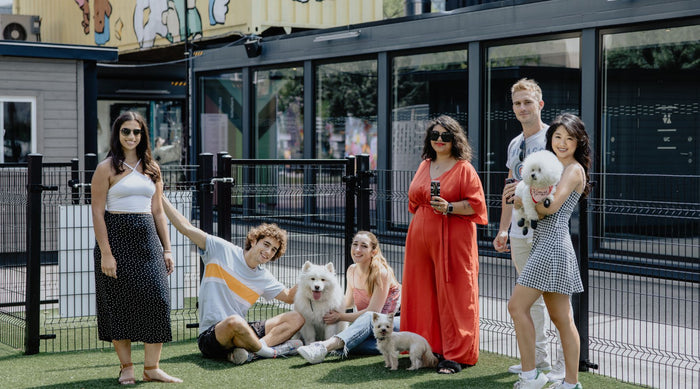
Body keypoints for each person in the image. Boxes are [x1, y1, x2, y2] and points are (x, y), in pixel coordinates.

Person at [91, 111, 182, 384]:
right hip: (116, 241)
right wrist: (106, 253)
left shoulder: (152, 168)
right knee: (120, 304)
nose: (131, 136)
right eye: (126, 131)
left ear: (143, 135)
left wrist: (167, 249)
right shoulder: (106, 168)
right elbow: (97, 213)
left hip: (148, 244)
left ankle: (152, 368)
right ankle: (127, 367)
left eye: (137, 131)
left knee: (158, 301)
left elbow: (158, 212)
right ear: (117, 134)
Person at [160, 196, 304, 365]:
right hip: (212, 336)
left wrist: (309, 274)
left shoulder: (264, 277)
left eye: (273, 250)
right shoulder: (221, 249)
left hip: (242, 331)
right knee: (235, 321)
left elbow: (289, 297)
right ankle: (271, 351)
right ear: (253, 240)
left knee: (297, 318)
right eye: (266, 244)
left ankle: (251, 353)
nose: (268, 252)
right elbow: (186, 228)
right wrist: (160, 196)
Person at [508, 113, 592, 389]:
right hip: (547, 243)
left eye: (570, 138)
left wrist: (524, 197)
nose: (563, 143)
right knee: (562, 318)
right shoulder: (551, 164)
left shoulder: (573, 170)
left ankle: (532, 376)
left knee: (517, 306)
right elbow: (537, 210)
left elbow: (550, 207)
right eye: (558, 137)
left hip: (553, 245)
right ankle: (571, 384)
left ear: (579, 142)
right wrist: (523, 201)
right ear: (550, 138)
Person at [400, 115, 488, 374]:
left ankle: (457, 355)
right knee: (422, 293)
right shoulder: (424, 164)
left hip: (453, 236)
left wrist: (449, 207)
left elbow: (477, 205)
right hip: (419, 238)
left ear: (455, 139)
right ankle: (428, 349)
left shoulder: (464, 168)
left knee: (456, 293)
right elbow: (414, 201)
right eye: (435, 135)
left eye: (445, 136)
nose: (439, 140)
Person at [493, 78, 566, 380]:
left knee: (556, 302)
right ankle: (538, 361)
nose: (522, 108)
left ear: (540, 104)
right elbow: (509, 188)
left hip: (547, 232)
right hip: (520, 235)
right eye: (517, 103)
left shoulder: (554, 139)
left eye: (527, 102)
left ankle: (564, 368)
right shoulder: (515, 143)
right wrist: (502, 229)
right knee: (529, 303)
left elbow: (563, 188)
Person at [296, 231, 401, 364]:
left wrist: (340, 316)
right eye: (355, 244)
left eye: (364, 246)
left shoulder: (381, 273)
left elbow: (374, 313)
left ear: (373, 251)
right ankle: (325, 345)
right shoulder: (351, 270)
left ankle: (322, 347)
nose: (357, 249)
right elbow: (347, 303)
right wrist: (323, 302)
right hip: (371, 330)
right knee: (349, 344)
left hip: (390, 326)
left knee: (367, 318)